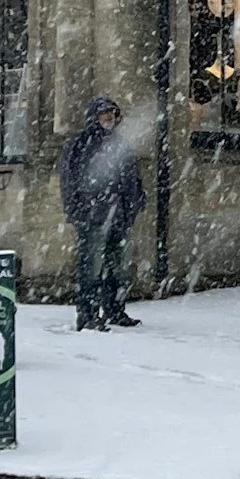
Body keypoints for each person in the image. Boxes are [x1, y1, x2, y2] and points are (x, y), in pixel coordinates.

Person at [59, 96, 144, 331]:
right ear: (94, 116)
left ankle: (114, 310)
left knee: (117, 268)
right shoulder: (80, 144)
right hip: (93, 216)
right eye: (105, 112)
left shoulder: (121, 144)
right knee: (91, 268)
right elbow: (69, 179)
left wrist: (135, 202)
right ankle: (87, 314)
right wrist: (78, 210)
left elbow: (131, 177)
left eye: (112, 113)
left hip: (119, 216)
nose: (109, 117)